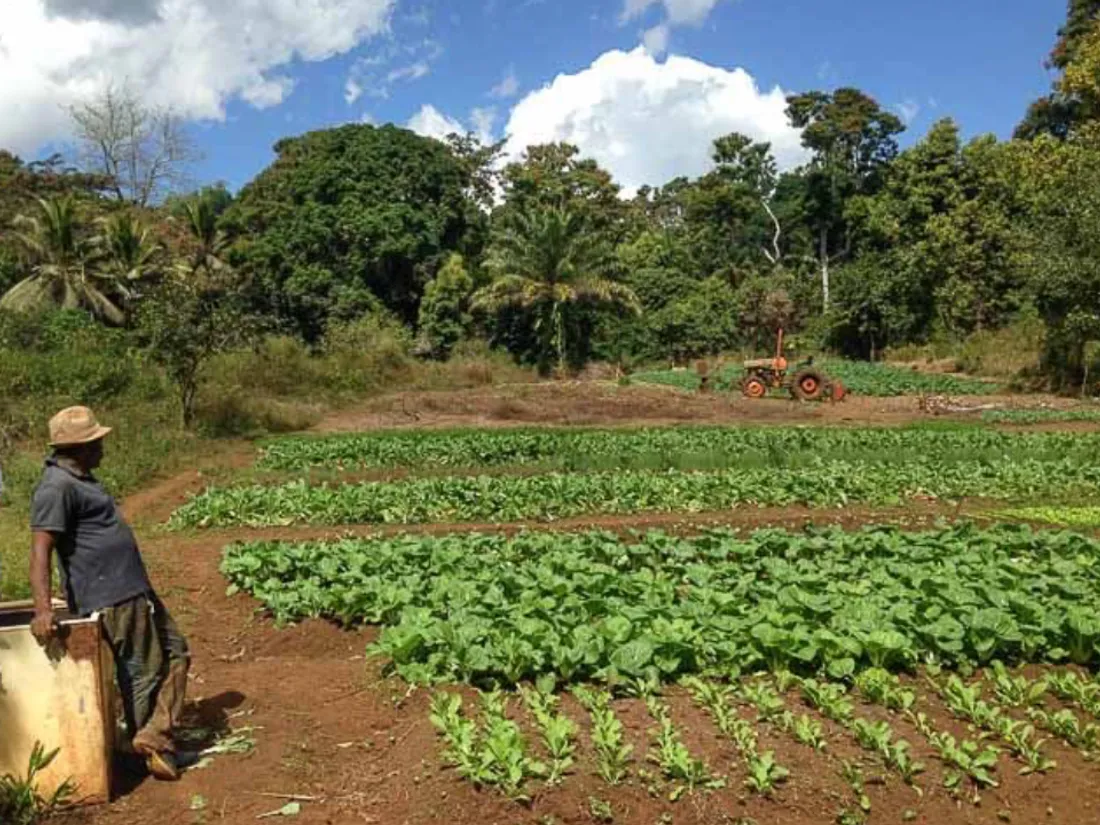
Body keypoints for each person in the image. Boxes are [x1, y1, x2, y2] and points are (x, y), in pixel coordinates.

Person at [29, 406, 189, 781]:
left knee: (174, 653)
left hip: (130, 587)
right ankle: (149, 749)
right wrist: (42, 608)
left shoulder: (81, 479)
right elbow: (40, 550)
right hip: (110, 593)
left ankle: (150, 737)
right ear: (81, 446)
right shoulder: (56, 487)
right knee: (143, 671)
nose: (103, 446)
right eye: (97, 441)